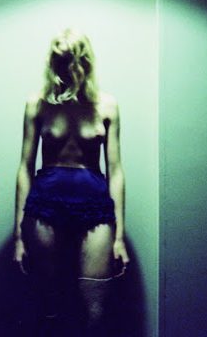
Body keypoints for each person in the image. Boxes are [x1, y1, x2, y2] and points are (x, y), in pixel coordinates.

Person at [13, 28, 130, 335]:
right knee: (48, 305)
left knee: (95, 309)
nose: (67, 68)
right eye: (61, 61)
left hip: (94, 207)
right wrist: (18, 236)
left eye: (72, 60)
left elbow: (116, 170)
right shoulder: (37, 104)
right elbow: (24, 167)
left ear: (84, 62)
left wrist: (119, 236)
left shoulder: (107, 106)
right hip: (45, 206)